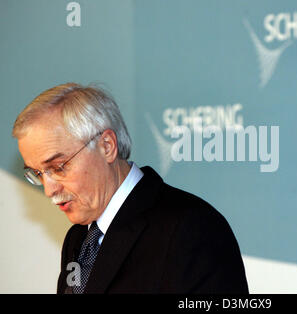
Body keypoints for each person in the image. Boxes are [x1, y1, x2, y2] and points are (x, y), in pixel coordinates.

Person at [12, 83, 249, 294]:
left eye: (58, 166)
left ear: (106, 146)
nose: (49, 190)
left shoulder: (192, 228)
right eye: (38, 174)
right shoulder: (78, 239)